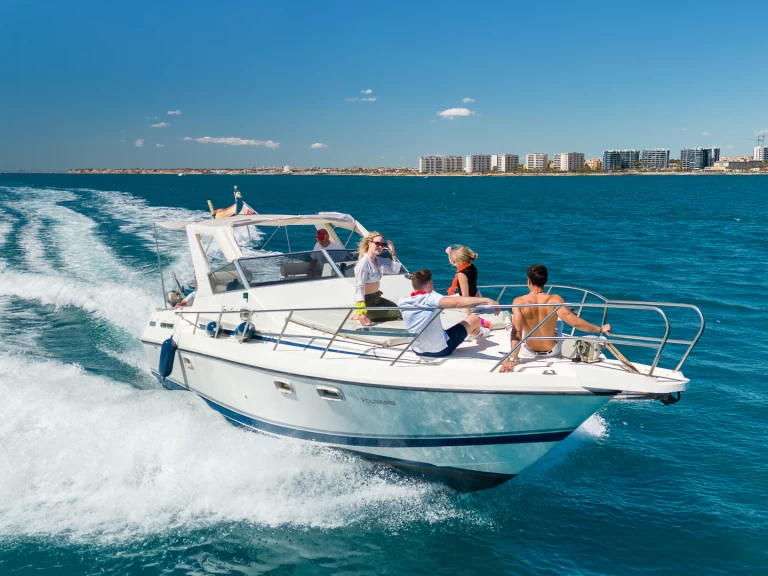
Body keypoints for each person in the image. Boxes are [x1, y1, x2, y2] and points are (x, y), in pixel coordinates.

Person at [499, 264, 611, 372]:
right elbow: (575, 322)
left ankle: (507, 321)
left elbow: (517, 332)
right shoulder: (555, 300)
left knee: (513, 329)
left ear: (528, 281)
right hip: (553, 350)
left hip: (528, 351)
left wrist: (512, 359)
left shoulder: (519, 302)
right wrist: (600, 329)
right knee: (559, 322)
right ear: (546, 282)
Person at [399, 269, 498, 358]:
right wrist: (486, 300)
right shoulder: (430, 298)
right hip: (440, 350)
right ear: (428, 285)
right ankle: (480, 333)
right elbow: (457, 302)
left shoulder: (402, 301)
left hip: (417, 349)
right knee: (474, 319)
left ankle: (479, 331)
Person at [352, 231, 402, 325]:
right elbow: (359, 288)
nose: (380, 247)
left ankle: (372, 316)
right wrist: (361, 311)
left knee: (398, 309)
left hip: (377, 298)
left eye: (382, 245)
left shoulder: (379, 261)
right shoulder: (363, 263)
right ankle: (364, 315)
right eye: (377, 244)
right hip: (367, 302)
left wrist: (393, 253)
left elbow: (394, 270)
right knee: (398, 313)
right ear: (370, 243)